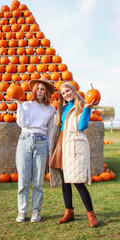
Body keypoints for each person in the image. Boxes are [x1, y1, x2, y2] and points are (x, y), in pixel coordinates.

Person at [49, 82, 99, 228]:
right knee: (65, 181)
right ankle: (69, 212)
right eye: (63, 93)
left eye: (68, 91)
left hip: (75, 143)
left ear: (73, 90)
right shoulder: (63, 108)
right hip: (62, 143)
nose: (66, 94)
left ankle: (91, 215)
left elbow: (82, 126)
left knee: (77, 181)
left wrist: (87, 109)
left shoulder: (82, 105)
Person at [13, 77, 56, 223]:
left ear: (46, 92)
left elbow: (50, 132)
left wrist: (50, 150)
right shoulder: (26, 105)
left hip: (41, 143)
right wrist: (19, 105)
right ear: (33, 90)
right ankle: (22, 211)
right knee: (23, 180)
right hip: (25, 140)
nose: (39, 91)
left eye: (42, 89)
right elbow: (22, 123)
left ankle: (36, 211)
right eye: (37, 88)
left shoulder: (51, 110)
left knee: (38, 180)